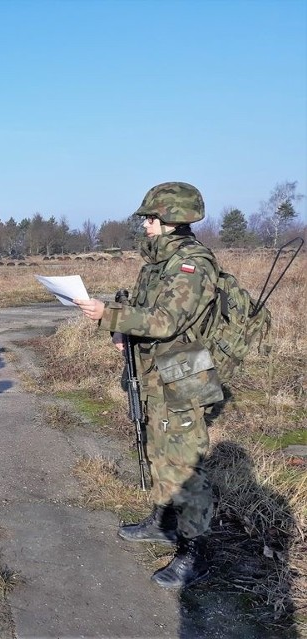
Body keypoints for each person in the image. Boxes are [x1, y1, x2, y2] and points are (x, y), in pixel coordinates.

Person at [75, 182, 219, 589]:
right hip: (154, 368)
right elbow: (144, 311)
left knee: (186, 460)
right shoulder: (157, 262)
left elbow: (168, 321)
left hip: (184, 370)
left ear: (174, 219)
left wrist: (109, 315)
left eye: (152, 218)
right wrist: (119, 326)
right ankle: (162, 519)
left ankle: (195, 552)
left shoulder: (192, 264)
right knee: (156, 448)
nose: (147, 225)